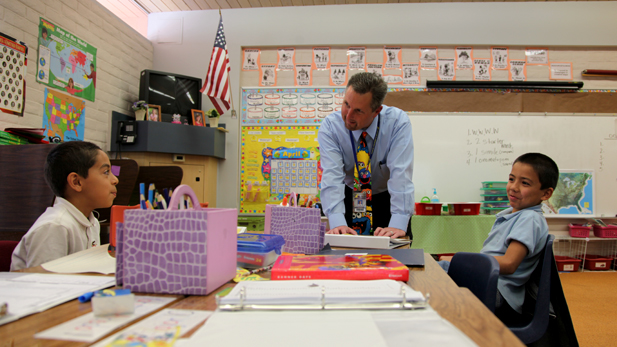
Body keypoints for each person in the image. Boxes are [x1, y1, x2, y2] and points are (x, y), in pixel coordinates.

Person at [439, 152, 558, 324]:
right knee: (435, 269)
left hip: (497, 292)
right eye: (511, 179)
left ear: (546, 194)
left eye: (524, 183)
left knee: (433, 275)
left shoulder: (529, 219)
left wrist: (463, 263)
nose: (514, 187)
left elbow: (509, 264)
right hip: (491, 284)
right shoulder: (514, 215)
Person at [318, 72, 414, 239]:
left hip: (388, 200)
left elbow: (401, 175)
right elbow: (332, 176)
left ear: (376, 111)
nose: (348, 116)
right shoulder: (331, 127)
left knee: (395, 259)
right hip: (347, 199)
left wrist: (398, 223)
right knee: (345, 260)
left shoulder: (397, 124)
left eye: (358, 111)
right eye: (346, 104)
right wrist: (337, 221)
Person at [11, 141, 119, 270]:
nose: (115, 180)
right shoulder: (55, 226)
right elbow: (43, 284)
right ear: (76, 182)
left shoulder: (92, 222)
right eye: (106, 172)